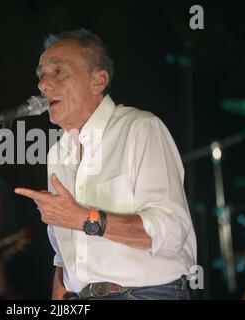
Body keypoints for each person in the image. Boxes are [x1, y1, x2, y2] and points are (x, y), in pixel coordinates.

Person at [14, 29, 197, 300]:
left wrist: (85, 219)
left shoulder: (140, 128)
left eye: (58, 71)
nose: (43, 85)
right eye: (41, 75)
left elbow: (171, 232)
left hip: (147, 294)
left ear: (98, 80)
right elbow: (65, 257)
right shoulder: (57, 154)